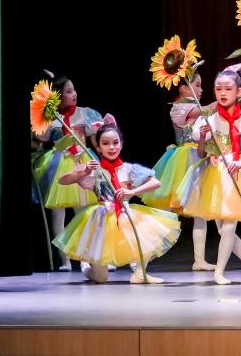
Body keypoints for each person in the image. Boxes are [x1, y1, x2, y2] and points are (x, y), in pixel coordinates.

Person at [142, 71, 241, 271]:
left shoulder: (197, 108)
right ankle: (141, 259)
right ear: (184, 88)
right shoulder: (179, 108)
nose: (201, 90)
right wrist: (234, 93)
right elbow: (207, 110)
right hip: (183, 162)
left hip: (201, 159)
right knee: (166, 215)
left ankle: (199, 260)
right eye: (197, 85)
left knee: (201, 213)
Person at [52, 115, 181, 284]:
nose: (111, 147)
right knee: (101, 278)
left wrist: (131, 192)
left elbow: (155, 182)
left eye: (115, 142)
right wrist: (83, 172)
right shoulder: (95, 170)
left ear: (121, 144)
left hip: (125, 213)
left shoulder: (129, 169)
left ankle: (139, 273)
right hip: (102, 218)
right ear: (98, 147)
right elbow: (62, 180)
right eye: (105, 144)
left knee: (147, 233)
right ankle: (86, 268)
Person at [180, 64, 241, 284]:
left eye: (228, 89)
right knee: (225, 230)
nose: (222, 93)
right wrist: (203, 138)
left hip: (238, 174)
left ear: (238, 91)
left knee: (229, 227)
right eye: (218, 89)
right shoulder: (209, 120)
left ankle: (219, 273)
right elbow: (202, 153)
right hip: (215, 176)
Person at [31, 71, 102, 271]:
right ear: (59, 96)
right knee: (58, 215)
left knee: (83, 213)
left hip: (82, 162)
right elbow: (40, 139)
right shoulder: (51, 118)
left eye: (74, 90)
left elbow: (96, 135)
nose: (74, 94)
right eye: (69, 91)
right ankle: (65, 259)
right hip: (59, 165)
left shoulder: (84, 113)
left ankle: (85, 257)